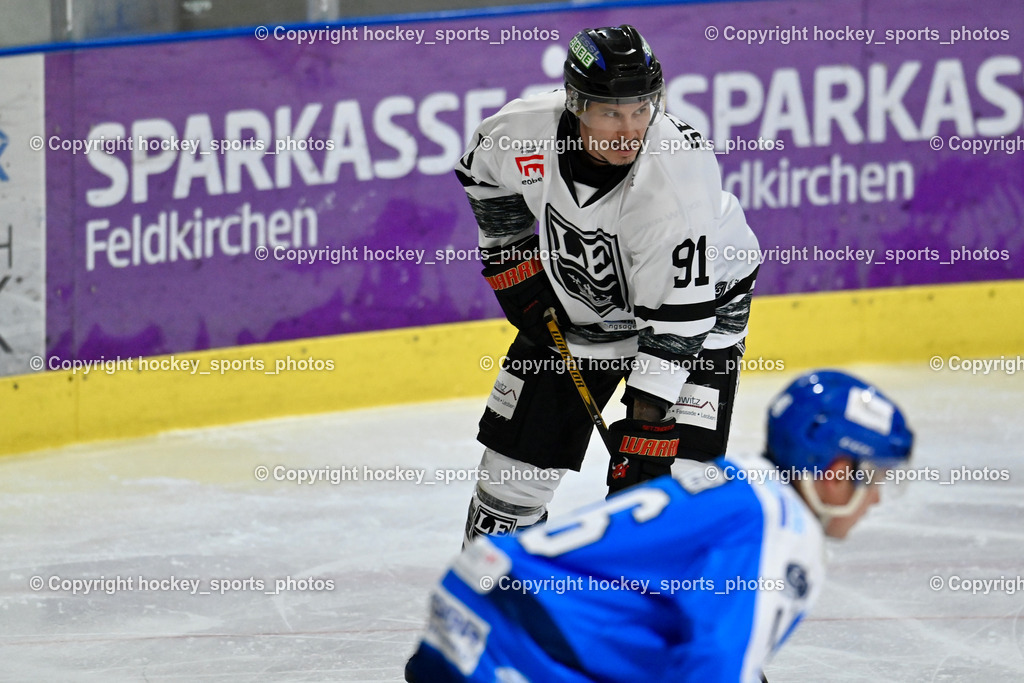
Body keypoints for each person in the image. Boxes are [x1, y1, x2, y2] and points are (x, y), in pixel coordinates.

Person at [405, 369, 915, 682]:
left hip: (483, 600)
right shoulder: (783, 527)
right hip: (520, 641)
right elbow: (715, 664)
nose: (875, 500)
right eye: (873, 479)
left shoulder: (742, 483)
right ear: (834, 472)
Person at [456, 24, 761, 547]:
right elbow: (483, 176)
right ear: (575, 104)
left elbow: (679, 324)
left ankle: (655, 619)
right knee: (510, 480)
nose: (630, 129)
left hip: (700, 314)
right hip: (582, 308)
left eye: (642, 108)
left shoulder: (676, 179)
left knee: (671, 495)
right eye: (611, 112)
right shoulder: (521, 130)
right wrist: (510, 261)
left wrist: (647, 431)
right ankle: (501, 610)